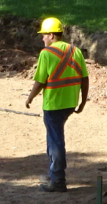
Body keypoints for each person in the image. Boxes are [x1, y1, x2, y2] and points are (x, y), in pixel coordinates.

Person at [24, 17, 89, 193]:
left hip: (53, 104)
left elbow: (40, 81)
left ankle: (58, 180)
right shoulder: (75, 51)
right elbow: (84, 78)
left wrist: (30, 97)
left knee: (55, 141)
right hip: (70, 103)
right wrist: (83, 101)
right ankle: (54, 174)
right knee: (56, 138)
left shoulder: (46, 54)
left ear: (52, 35)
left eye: (44, 35)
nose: (42, 39)